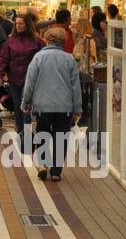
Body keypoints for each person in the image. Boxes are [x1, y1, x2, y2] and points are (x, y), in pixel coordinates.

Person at [22, 26, 82, 181]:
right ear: (63, 42)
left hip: (42, 106)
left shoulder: (38, 58)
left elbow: (30, 83)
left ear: (47, 40)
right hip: (64, 107)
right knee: (60, 137)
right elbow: (75, 86)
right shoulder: (69, 59)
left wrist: (25, 102)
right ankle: (56, 172)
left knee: (42, 134)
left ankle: (43, 165)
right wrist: (77, 108)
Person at [0, 11, 43, 153]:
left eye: (21, 24)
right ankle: (20, 134)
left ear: (27, 25)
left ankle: (27, 139)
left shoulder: (37, 40)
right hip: (14, 79)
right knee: (18, 108)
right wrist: (0, 74)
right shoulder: (10, 41)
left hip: (30, 79)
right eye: (16, 24)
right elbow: (4, 59)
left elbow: (44, 55)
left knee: (26, 109)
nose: (18, 26)